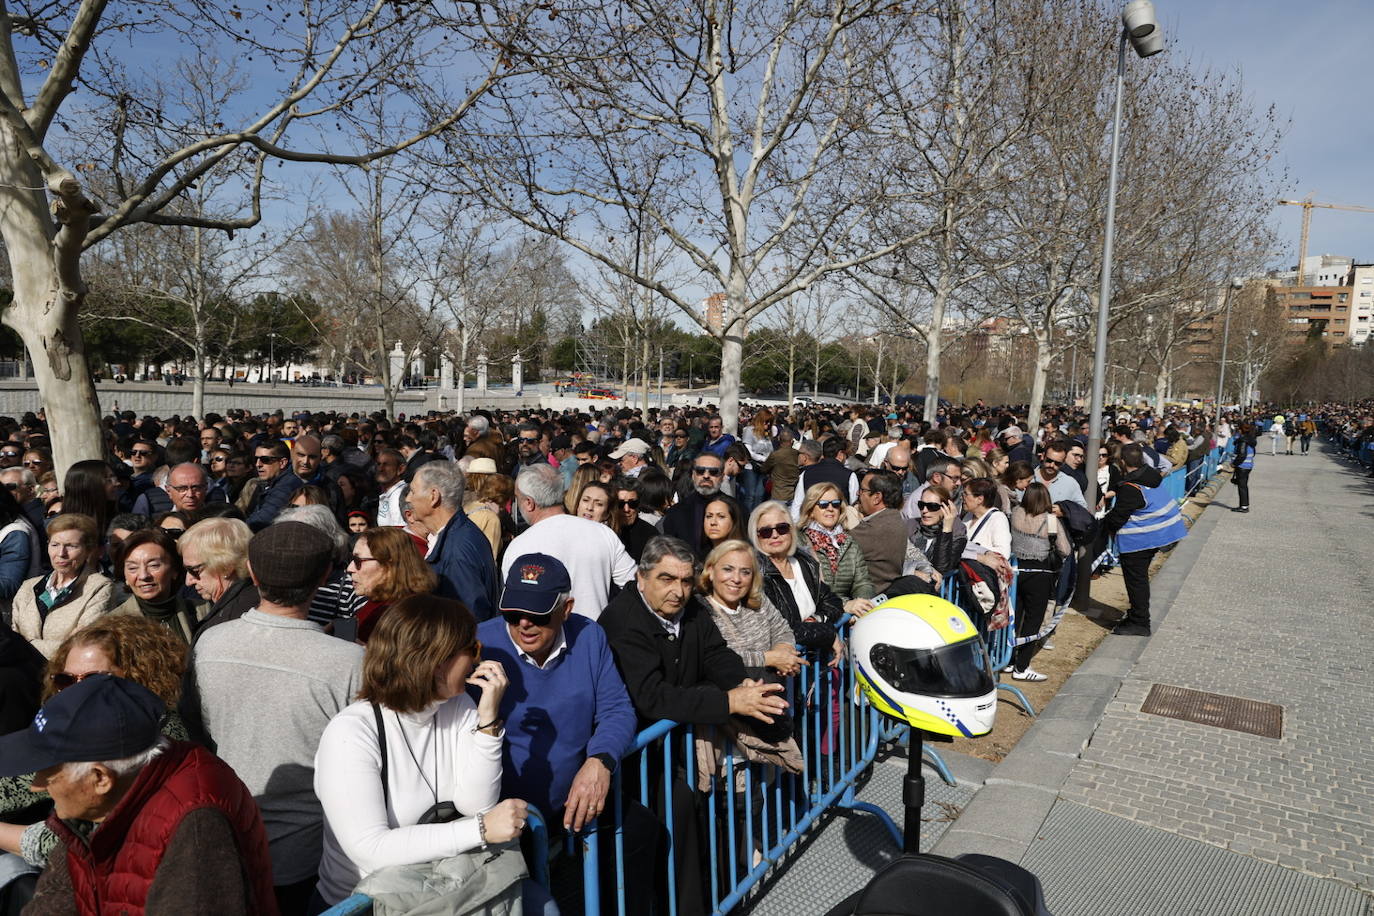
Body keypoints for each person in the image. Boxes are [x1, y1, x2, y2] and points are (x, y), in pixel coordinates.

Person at [312, 594, 544, 913]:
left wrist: (489, 720)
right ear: (436, 662)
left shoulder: (456, 705)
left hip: (440, 889)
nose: (479, 659)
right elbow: (370, 849)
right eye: (472, 649)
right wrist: (479, 830)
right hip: (365, 904)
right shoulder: (351, 734)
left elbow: (476, 803)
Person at [191, 521, 364, 915]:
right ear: (324, 577)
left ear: (251, 572)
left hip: (229, 837)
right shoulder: (351, 662)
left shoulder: (211, 642)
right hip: (303, 855)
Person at [0, 675, 277, 915]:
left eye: (48, 774)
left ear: (100, 779)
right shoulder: (102, 802)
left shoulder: (197, 826)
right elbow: (59, 894)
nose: (36, 786)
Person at [0, 614, 194, 875]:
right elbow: (19, 783)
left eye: (92, 679)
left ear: (138, 674)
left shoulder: (155, 741)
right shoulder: (82, 726)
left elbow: (70, 843)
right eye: (65, 680)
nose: (76, 692)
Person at [478, 553, 636, 833]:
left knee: (647, 835)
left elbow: (617, 710)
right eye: (513, 613)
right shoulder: (480, 644)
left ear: (566, 609)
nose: (525, 623)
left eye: (538, 613)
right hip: (502, 820)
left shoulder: (589, 635)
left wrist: (600, 761)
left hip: (577, 810)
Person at [504, 463, 636, 622]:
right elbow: (637, 586)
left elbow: (513, 608)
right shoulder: (603, 534)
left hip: (546, 642)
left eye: (517, 498)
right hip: (594, 636)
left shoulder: (519, 546)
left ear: (529, 503)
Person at [1100, 444, 1186, 636]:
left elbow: (1117, 517)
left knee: (1136, 581)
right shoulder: (1151, 475)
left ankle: (1140, 622)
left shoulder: (1131, 487)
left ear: (1122, 462)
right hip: (1163, 533)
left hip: (1141, 539)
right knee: (1139, 580)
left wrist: (1098, 528)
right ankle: (1136, 614)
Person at [11, 514, 117, 658]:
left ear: (88, 550)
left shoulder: (99, 587)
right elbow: (12, 638)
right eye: (55, 545)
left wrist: (24, 645)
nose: (61, 553)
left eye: (71, 546)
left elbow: (79, 644)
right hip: (24, 675)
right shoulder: (28, 587)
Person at [749, 501, 846, 656]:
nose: (775, 535)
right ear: (756, 536)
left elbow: (832, 602)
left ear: (791, 530)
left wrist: (814, 620)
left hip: (813, 661)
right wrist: (826, 632)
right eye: (766, 531)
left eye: (782, 528)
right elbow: (780, 627)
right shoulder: (756, 573)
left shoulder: (804, 562)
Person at [698, 540, 805, 678]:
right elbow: (713, 657)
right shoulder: (700, 609)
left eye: (745, 572)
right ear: (711, 571)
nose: (736, 579)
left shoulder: (758, 601)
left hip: (772, 693)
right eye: (728, 569)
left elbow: (782, 629)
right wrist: (769, 658)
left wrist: (783, 650)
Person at [409, 461, 499, 620]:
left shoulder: (456, 553)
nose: (408, 498)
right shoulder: (458, 535)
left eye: (412, 491)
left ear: (433, 496)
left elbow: (467, 619)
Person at [1008, 483, 1072, 682]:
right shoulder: (1050, 520)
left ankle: (1008, 660)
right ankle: (1022, 666)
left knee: (1014, 616)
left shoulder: (1016, 512)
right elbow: (1065, 550)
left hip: (1017, 571)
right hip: (1040, 574)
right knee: (1033, 620)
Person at [350, 526, 439, 642]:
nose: (350, 568)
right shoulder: (378, 601)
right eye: (351, 560)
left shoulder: (409, 615)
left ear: (389, 565)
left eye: (358, 561)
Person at [798, 482, 875, 614]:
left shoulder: (849, 542)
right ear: (810, 510)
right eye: (823, 504)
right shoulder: (800, 542)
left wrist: (862, 604)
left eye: (835, 504)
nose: (830, 508)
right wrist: (844, 605)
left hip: (847, 614)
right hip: (815, 613)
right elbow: (805, 589)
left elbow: (862, 582)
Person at [113, 529, 201, 644]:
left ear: (174, 570)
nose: (144, 576)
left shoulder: (201, 611)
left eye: (154, 565)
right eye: (132, 568)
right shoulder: (113, 625)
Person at [179, 516, 258, 638]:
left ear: (226, 566)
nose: (188, 581)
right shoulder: (259, 600)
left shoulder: (232, 622)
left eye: (194, 570)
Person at [849, 470, 908, 595]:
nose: (857, 493)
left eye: (862, 490)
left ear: (877, 498)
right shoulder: (895, 518)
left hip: (867, 601)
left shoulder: (874, 528)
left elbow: (836, 549)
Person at [247, 440, 304, 531]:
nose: (258, 464)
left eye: (265, 460)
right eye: (255, 459)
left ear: (282, 463)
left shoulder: (287, 486)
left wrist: (238, 530)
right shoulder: (269, 483)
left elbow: (263, 519)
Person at [615, 477, 660, 561]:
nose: (626, 509)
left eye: (632, 503)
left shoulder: (650, 534)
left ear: (639, 504)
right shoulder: (605, 531)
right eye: (620, 504)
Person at [700, 493, 747, 558]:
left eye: (721, 516)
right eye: (709, 516)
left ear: (734, 521)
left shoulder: (743, 556)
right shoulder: (699, 556)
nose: (713, 522)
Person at [1231, 422, 1257, 513]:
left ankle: (1244, 506)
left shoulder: (1242, 441)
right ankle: (1244, 505)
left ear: (1241, 430)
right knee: (1244, 486)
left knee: (1242, 487)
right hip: (1248, 465)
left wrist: (1234, 463)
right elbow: (1253, 453)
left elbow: (1241, 455)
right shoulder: (1251, 440)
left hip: (1242, 466)